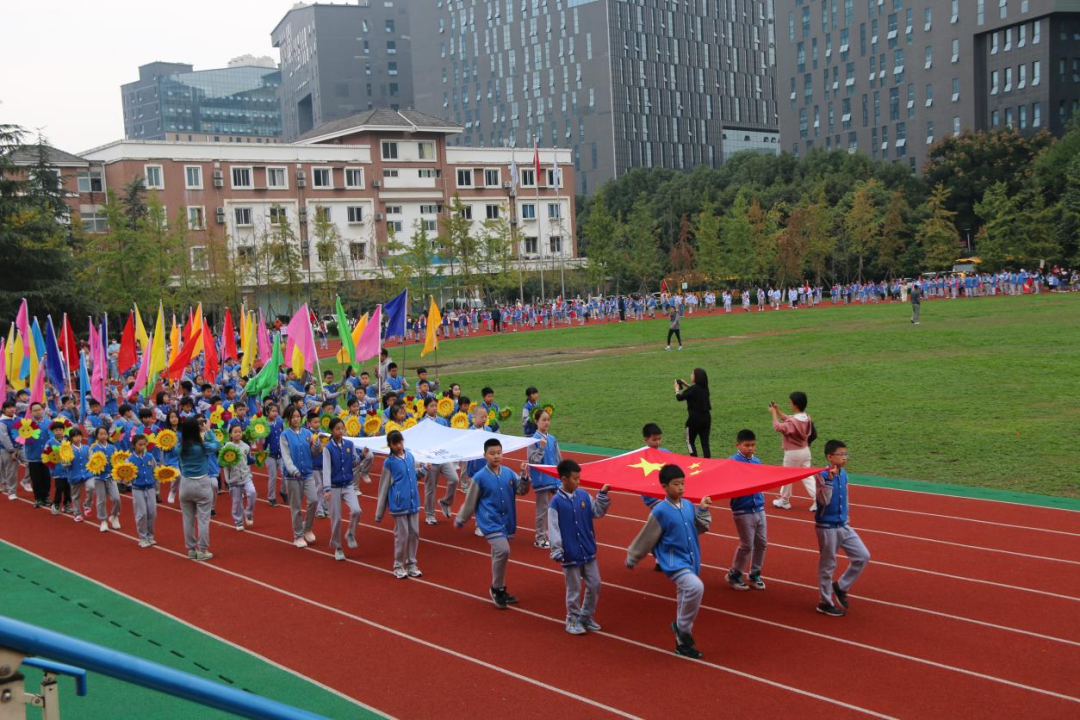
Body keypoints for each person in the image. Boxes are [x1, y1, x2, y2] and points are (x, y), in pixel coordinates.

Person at [626, 464, 712, 658]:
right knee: (695, 588)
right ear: (664, 486)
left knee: (684, 597)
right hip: (673, 561)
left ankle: (683, 643)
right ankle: (681, 627)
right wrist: (633, 557)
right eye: (676, 484)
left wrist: (703, 511)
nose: (681, 487)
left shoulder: (689, 505)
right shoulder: (660, 511)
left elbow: (698, 528)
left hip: (692, 559)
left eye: (683, 483)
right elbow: (647, 536)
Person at [455, 438, 529, 609]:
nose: (496, 456)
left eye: (499, 453)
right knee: (503, 550)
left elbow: (521, 490)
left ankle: (500, 588)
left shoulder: (509, 473)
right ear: (484, 455)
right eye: (492, 453)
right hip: (490, 522)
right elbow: (470, 501)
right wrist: (461, 518)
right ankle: (496, 589)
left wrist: (524, 477)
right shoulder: (480, 477)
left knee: (499, 554)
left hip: (507, 521)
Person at [548, 459, 611, 635]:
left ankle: (586, 616)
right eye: (575, 479)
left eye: (579, 478)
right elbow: (553, 527)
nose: (578, 481)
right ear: (563, 479)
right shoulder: (556, 502)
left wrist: (603, 495)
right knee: (574, 588)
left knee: (595, 583)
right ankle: (573, 619)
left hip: (587, 549)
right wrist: (557, 549)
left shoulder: (584, 496)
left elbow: (597, 511)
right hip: (570, 553)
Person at [814, 440, 871, 617]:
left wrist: (846, 516)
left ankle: (840, 586)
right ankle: (824, 602)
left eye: (846, 454)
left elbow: (844, 497)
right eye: (841, 454)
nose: (845, 457)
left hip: (843, 524)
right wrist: (829, 479)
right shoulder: (822, 475)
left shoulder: (844, 474)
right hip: (827, 527)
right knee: (828, 564)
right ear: (830, 457)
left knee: (862, 556)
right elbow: (823, 500)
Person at [376, 430, 424, 577]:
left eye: (400, 442)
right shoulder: (389, 462)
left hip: (413, 502)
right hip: (399, 504)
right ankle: (398, 565)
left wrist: (424, 470)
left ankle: (412, 564)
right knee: (402, 535)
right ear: (390, 445)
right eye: (395, 443)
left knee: (414, 533)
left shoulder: (410, 456)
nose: (399, 445)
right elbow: (383, 486)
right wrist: (379, 513)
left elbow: (413, 476)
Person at [726, 429, 768, 591]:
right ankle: (735, 574)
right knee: (747, 545)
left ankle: (755, 572)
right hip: (742, 510)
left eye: (753, 445)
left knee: (762, 543)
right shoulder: (732, 463)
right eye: (747, 445)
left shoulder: (757, 462)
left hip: (759, 508)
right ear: (738, 445)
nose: (750, 448)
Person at [177, 417, 219, 560]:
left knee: (187, 519)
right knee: (203, 519)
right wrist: (208, 430)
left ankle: (191, 549)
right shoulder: (202, 446)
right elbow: (216, 444)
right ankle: (203, 550)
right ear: (197, 429)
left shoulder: (181, 447)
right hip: (202, 482)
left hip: (185, 483)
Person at [322, 418, 362, 561]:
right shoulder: (328, 448)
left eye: (342, 428)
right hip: (333, 487)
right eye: (337, 429)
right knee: (337, 519)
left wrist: (361, 456)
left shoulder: (349, 444)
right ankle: (338, 547)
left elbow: (354, 462)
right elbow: (326, 469)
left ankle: (350, 533)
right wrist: (326, 489)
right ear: (332, 431)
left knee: (357, 511)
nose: (340, 431)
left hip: (348, 485)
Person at [281, 406, 320, 548]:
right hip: (293, 477)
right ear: (288, 419)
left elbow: (313, 454)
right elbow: (286, 456)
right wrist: (293, 470)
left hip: (308, 473)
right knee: (296, 507)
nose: (296, 419)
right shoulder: (285, 435)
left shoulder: (308, 433)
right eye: (293, 417)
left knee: (314, 500)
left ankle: (307, 527)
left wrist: (317, 446)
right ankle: (298, 536)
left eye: (298, 416)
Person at [769, 391, 815, 511]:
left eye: (790, 402)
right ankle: (819, 500)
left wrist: (773, 414)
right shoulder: (806, 417)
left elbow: (778, 427)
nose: (789, 403)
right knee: (808, 477)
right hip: (805, 451)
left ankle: (784, 500)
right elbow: (788, 419)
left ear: (795, 405)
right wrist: (778, 410)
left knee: (787, 477)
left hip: (793, 453)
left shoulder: (792, 422)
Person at [526, 408, 561, 548]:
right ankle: (540, 538)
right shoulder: (533, 441)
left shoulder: (552, 439)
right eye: (543, 420)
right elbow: (532, 461)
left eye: (548, 420)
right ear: (536, 422)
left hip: (555, 479)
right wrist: (540, 448)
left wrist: (562, 473)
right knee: (542, 509)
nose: (546, 423)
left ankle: (558, 535)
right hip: (542, 480)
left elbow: (558, 458)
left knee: (562, 505)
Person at [222, 424, 256, 532]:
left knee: (252, 492)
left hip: (246, 477)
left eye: (240, 432)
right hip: (233, 479)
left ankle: (249, 512)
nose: (238, 433)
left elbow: (248, 460)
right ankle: (238, 521)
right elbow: (221, 463)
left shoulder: (246, 446)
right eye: (235, 432)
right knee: (237, 502)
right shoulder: (226, 447)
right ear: (231, 434)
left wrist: (257, 459)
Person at [674, 368, 711, 458]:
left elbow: (680, 398)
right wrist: (686, 385)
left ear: (696, 377)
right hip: (706, 418)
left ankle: (694, 459)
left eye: (692, 374)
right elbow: (695, 391)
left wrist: (677, 389)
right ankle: (708, 461)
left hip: (694, 420)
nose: (691, 375)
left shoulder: (692, 390)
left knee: (689, 441)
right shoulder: (705, 388)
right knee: (705, 443)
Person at [129, 435, 158, 548]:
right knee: (142, 513)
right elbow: (126, 474)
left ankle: (150, 536)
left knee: (152, 512)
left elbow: (155, 469)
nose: (142, 447)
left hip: (150, 488)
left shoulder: (150, 456)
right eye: (139, 445)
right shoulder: (130, 459)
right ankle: (143, 537)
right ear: (134, 445)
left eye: (144, 444)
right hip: (137, 489)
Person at [89, 426, 120, 532]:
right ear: (96, 436)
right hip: (99, 478)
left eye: (105, 433)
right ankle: (103, 521)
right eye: (100, 434)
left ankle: (114, 516)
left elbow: (117, 461)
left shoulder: (112, 448)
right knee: (101, 500)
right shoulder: (93, 449)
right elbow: (91, 464)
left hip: (111, 477)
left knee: (116, 498)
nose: (103, 436)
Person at [66, 428, 92, 523]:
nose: (78, 438)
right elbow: (64, 463)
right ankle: (77, 514)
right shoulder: (67, 450)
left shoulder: (86, 448)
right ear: (71, 438)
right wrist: (66, 463)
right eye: (75, 436)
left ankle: (87, 504)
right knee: (75, 496)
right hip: (74, 475)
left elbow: (91, 459)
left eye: (79, 436)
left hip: (87, 474)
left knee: (91, 487)